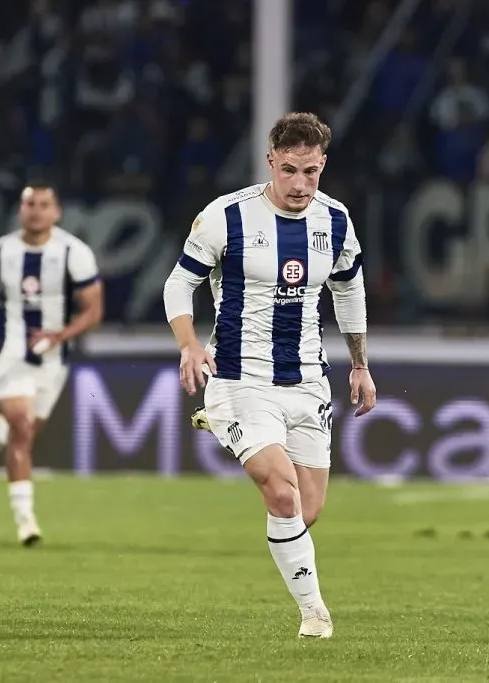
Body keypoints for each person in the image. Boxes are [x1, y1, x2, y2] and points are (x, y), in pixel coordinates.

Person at [163, 112, 376, 639]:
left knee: (307, 508)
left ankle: (221, 423)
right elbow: (177, 285)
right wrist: (188, 343)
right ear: (270, 164)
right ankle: (315, 615)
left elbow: (348, 292)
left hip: (307, 379)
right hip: (240, 377)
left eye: (311, 172)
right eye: (289, 171)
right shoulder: (225, 217)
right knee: (282, 495)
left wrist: (361, 365)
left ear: (323, 164)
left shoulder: (337, 221)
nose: (301, 184)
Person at [0, 183, 104, 546]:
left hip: (52, 358)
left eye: (44, 205)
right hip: (9, 352)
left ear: (56, 212)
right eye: (30, 204)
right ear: (20, 210)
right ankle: (26, 520)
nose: (36, 211)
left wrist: (61, 334)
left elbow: (94, 310)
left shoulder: (74, 253)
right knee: (24, 429)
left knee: (26, 433)